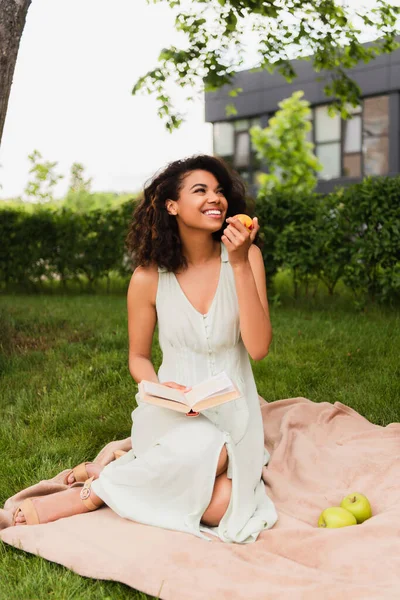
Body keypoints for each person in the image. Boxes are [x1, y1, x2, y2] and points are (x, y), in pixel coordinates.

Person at [12, 154, 278, 543]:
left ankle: (107, 480)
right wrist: (161, 389)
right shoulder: (148, 278)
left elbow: (258, 349)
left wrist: (238, 265)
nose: (216, 199)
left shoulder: (246, 257)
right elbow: (138, 358)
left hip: (234, 411)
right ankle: (89, 494)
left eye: (219, 191)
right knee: (209, 464)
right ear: (172, 206)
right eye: (200, 190)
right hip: (171, 411)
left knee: (221, 505)